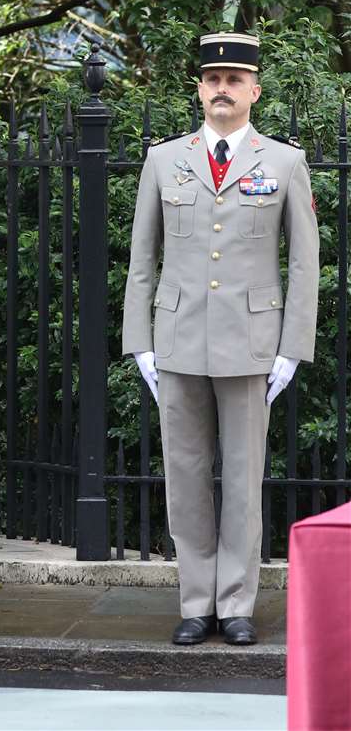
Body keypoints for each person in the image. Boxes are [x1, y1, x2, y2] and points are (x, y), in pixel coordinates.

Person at [122, 32, 319, 646]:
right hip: (178, 340)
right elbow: (142, 259)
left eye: (235, 80)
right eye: (213, 79)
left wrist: (292, 347)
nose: (222, 89)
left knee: (242, 478)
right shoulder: (164, 160)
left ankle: (235, 603)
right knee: (183, 478)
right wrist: (141, 342)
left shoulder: (283, 163)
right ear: (199, 88)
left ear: (255, 90)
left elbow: (306, 264)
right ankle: (195, 601)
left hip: (252, 344)